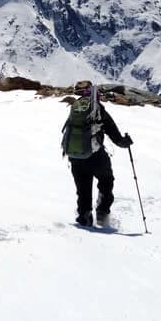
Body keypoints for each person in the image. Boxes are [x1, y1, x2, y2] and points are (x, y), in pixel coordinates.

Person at [61, 80, 133, 227]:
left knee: (83, 189)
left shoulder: (75, 108)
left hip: (75, 156)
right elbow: (113, 132)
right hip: (96, 156)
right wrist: (124, 142)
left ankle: (84, 215)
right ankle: (102, 212)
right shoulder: (97, 108)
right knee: (106, 180)